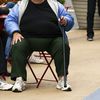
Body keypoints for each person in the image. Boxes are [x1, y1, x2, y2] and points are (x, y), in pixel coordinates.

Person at [4, 0, 74, 92]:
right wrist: (15, 31)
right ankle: (19, 79)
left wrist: (65, 21)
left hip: (52, 39)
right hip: (27, 39)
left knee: (62, 44)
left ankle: (62, 79)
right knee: (17, 44)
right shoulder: (21, 5)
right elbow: (10, 20)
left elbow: (69, 19)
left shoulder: (55, 4)